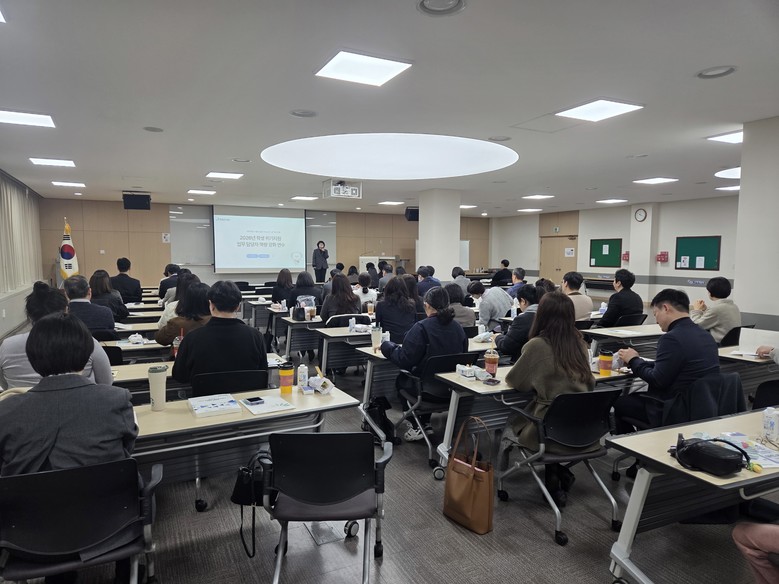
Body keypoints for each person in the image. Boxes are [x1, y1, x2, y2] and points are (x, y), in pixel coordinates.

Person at [0, 314, 137, 584]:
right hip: (112, 526)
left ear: (34, 358)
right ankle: (126, 573)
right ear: (86, 354)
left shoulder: (7, 412)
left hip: (27, 537)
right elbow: (127, 450)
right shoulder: (115, 399)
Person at [502, 291, 595, 507]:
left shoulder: (537, 346)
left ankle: (544, 477)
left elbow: (517, 382)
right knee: (554, 415)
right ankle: (556, 474)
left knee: (514, 424)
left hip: (548, 432)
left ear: (541, 315)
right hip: (584, 428)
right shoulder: (580, 344)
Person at [615, 289, 720, 433]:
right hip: (703, 406)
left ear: (665, 308)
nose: (656, 320)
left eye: (655, 314)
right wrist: (642, 362)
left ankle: (631, 443)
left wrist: (633, 360)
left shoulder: (671, 338)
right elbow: (677, 366)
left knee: (619, 402)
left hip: (672, 409)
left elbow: (657, 380)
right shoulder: (705, 334)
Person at [380, 287, 468, 441]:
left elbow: (404, 360)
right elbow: (463, 356)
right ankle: (424, 421)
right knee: (428, 375)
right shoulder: (458, 328)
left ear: (426, 305)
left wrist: (386, 346)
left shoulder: (421, 328)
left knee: (403, 379)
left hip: (426, 391)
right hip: (453, 388)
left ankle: (416, 423)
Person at [0, 282, 112, 390]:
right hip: (80, 401)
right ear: (66, 310)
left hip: (20, 402)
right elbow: (106, 382)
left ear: (29, 316)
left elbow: (4, 385)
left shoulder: (7, 346)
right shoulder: (84, 341)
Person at [172, 281, 267, 383]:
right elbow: (263, 371)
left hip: (206, 392)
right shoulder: (256, 336)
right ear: (238, 307)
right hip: (246, 392)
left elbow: (179, 376)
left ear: (211, 305)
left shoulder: (191, 338)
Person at [494, 283, 540, 362]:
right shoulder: (548, 316)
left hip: (523, 362)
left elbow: (506, 347)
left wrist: (497, 337)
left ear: (523, 301)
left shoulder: (522, 320)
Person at [690, 276, 741, 343]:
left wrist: (696, 310)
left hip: (717, 345)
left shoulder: (717, 309)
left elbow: (697, 325)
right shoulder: (734, 306)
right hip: (731, 344)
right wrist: (705, 309)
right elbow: (716, 317)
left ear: (710, 293)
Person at [375, 277, 417, 343]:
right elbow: (415, 323)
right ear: (405, 290)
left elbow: (378, 326)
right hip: (408, 341)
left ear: (387, 289)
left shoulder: (381, 305)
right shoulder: (411, 304)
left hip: (389, 341)